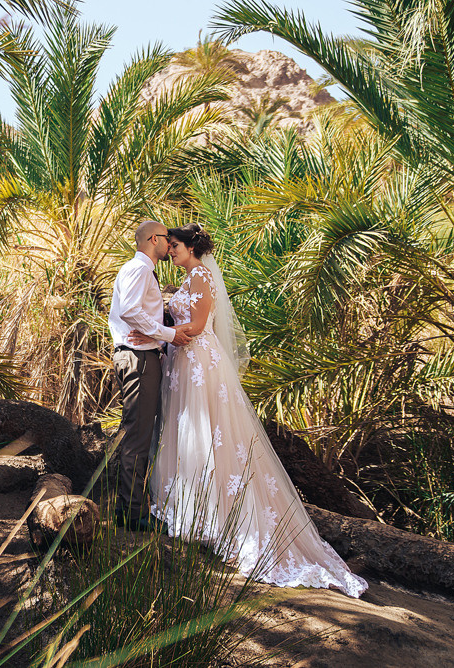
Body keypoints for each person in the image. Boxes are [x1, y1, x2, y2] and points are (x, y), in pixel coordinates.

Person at [128, 223, 367, 597]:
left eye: (175, 245)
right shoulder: (187, 278)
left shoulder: (202, 276)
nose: (170, 250)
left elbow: (198, 325)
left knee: (209, 434)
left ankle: (217, 518)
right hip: (180, 361)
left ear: (191, 247)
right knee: (187, 433)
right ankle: (192, 511)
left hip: (197, 362)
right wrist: (158, 334)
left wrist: (163, 334)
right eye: (168, 245)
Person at [108, 219, 192, 531]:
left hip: (142, 355)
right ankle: (132, 515)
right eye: (167, 238)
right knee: (137, 437)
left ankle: (127, 509)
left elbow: (137, 312)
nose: (170, 244)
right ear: (154, 239)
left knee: (139, 434)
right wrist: (167, 335)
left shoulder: (141, 270)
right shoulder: (140, 269)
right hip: (139, 359)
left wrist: (157, 335)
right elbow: (129, 310)